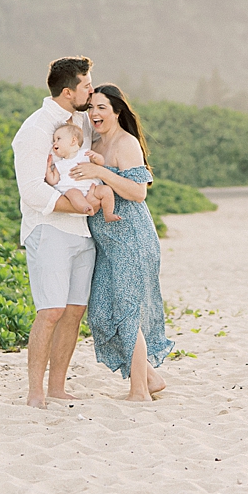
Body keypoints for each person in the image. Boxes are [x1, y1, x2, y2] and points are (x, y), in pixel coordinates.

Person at [72, 83, 174, 401]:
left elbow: (138, 192)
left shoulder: (125, 143)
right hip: (108, 246)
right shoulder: (96, 143)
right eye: (91, 108)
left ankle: (139, 391)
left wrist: (102, 171)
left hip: (131, 239)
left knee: (128, 313)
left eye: (101, 107)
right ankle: (151, 378)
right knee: (101, 314)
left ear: (117, 111)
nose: (94, 113)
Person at [11, 55, 98, 408]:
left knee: (75, 311)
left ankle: (58, 386)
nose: (91, 89)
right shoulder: (34, 130)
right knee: (50, 311)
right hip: (48, 230)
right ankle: (35, 390)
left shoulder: (83, 123)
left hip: (83, 233)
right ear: (67, 92)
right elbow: (32, 191)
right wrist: (78, 205)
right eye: (86, 85)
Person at [45, 121, 120, 221]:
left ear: (73, 141)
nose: (55, 143)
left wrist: (96, 157)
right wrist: (48, 168)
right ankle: (85, 207)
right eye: (54, 140)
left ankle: (108, 214)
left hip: (92, 190)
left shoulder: (85, 154)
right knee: (72, 193)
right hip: (75, 197)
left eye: (58, 139)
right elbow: (53, 180)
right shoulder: (60, 164)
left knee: (106, 190)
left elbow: (101, 163)